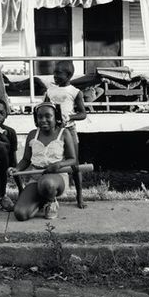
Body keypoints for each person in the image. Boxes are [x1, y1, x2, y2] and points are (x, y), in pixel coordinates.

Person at [10, 102, 80, 221]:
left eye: (48, 116)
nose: (43, 120)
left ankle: (51, 202)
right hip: (35, 178)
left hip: (56, 177)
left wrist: (59, 165)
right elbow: (26, 160)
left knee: (47, 183)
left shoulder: (64, 133)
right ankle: (42, 201)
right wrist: (16, 169)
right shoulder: (32, 134)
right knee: (20, 214)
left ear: (56, 117)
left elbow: (73, 160)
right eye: (40, 117)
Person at [44, 60, 87, 208]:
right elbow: (44, 107)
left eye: (58, 73)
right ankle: (48, 193)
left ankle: (79, 195)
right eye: (54, 72)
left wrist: (70, 117)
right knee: (49, 161)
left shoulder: (75, 92)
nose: (55, 76)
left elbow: (83, 114)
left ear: (68, 75)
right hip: (53, 131)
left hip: (69, 130)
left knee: (74, 163)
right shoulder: (50, 91)